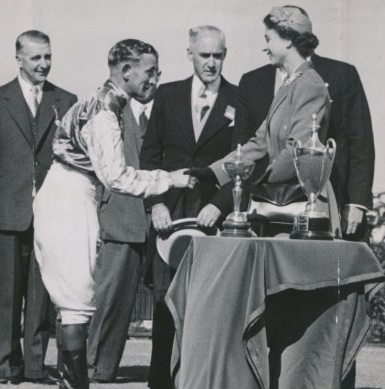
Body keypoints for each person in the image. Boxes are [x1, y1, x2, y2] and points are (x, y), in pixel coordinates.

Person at [33, 39, 196, 389]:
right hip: (70, 199)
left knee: (72, 304)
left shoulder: (96, 104)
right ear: (126, 72)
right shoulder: (104, 114)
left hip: (68, 195)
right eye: (149, 72)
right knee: (76, 303)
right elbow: (118, 178)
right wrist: (170, 179)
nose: (155, 79)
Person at [0, 30, 77, 385]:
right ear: (18, 58)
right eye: (36, 58)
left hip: (51, 214)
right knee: (6, 295)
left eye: (48, 56)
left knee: (41, 297)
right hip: (5, 212)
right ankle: (7, 366)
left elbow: (77, 160)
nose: (44, 64)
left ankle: (34, 367)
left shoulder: (66, 100)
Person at [139, 25, 237, 389]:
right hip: (171, 214)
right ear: (190, 54)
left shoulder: (239, 99)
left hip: (213, 217)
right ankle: (161, 383)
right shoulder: (167, 95)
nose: (211, 63)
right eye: (204, 55)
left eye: (218, 55)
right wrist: (156, 204)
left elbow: (244, 163)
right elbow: (149, 156)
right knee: (166, 304)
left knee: (210, 305)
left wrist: (219, 204)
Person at [231, 6, 374, 244]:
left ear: (290, 37)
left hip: (324, 197)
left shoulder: (341, 74)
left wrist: (356, 202)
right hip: (267, 200)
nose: (265, 46)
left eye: (269, 38)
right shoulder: (252, 81)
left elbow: (360, 141)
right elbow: (249, 141)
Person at [87, 86, 156, 383]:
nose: (149, 81)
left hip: (159, 218)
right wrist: (95, 218)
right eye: (144, 73)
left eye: (155, 74)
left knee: (144, 302)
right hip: (118, 217)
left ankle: (110, 368)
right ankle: (94, 366)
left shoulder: (166, 110)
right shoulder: (110, 110)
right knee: (109, 298)